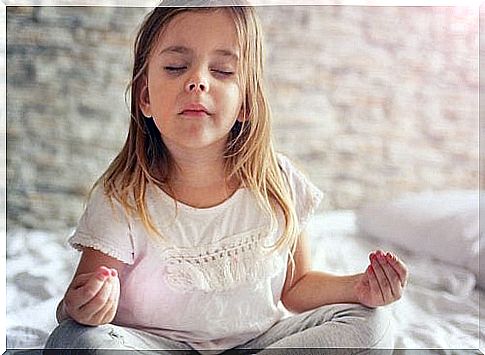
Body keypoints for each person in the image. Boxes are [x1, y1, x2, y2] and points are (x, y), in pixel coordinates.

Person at [44, 1, 408, 354]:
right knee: (76, 341)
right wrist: (83, 306)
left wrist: (359, 287)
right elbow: (73, 307)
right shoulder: (122, 196)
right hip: (154, 346)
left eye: (222, 71)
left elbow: (295, 287)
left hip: (260, 342)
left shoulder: (277, 181)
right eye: (175, 67)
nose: (197, 81)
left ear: (245, 103)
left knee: (373, 325)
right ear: (145, 98)